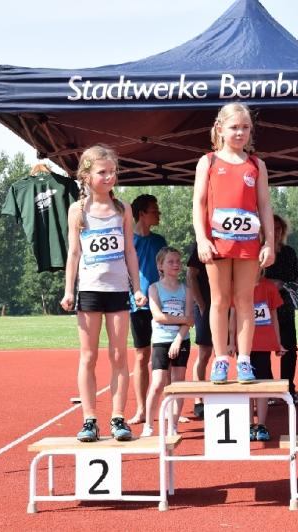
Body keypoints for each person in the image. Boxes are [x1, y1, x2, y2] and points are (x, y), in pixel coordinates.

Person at [60, 144, 147, 442]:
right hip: (89, 290)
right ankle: (89, 420)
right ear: (86, 176)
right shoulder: (78, 210)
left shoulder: (122, 209)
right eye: (102, 172)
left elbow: (130, 252)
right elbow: (74, 252)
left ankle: (118, 417)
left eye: (112, 172)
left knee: (119, 355)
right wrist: (68, 290)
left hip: (118, 290)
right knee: (88, 356)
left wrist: (137, 288)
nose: (109, 177)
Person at [192, 102, 275, 384]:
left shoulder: (256, 165)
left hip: (248, 244)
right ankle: (220, 359)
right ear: (220, 128)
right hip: (217, 243)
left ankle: (244, 360)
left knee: (244, 300)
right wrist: (201, 238)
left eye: (245, 127)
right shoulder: (208, 162)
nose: (240, 133)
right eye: (234, 127)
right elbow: (199, 203)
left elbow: (265, 206)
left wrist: (269, 242)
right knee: (219, 300)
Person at [141, 247, 193, 438]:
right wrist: (182, 320)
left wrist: (178, 340)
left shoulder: (186, 290)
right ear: (160, 265)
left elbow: (190, 319)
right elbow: (158, 316)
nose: (176, 264)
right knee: (157, 384)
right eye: (170, 261)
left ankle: (173, 425)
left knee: (178, 385)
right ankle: (148, 425)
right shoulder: (154, 288)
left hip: (181, 341)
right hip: (161, 341)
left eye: (178, 261)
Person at [228, 268, 284, 442]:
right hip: (243, 345)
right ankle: (248, 424)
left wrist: (278, 342)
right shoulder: (237, 287)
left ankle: (261, 425)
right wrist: (231, 341)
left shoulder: (269, 287)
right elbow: (233, 315)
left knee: (261, 385)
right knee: (246, 384)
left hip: (263, 344)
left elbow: (274, 317)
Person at [127, 194, 167, 425]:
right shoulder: (129, 241)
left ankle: (168, 408)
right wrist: (135, 293)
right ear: (141, 214)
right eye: (154, 210)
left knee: (165, 355)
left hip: (161, 304)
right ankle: (142, 409)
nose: (158, 214)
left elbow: (167, 270)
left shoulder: (160, 241)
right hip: (138, 305)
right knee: (142, 356)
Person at [264, 214, 298, 403]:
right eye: (272, 228)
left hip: (285, 307)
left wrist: (285, 285)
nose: (276, 232)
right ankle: (269, 389)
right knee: (262, 349)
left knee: (289, 349)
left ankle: (288, 389)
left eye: (279, 228)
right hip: (262, 309)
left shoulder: (289, 252)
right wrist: (270, 285)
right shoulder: (258, 251)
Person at [186, 242, 212, 419]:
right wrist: (201, 304)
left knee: (221, 354)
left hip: (223, 304)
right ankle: (198, 400)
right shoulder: (200, 245)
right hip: (204, 304)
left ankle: (218, 396)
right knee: (204, 353)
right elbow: (190, 275)